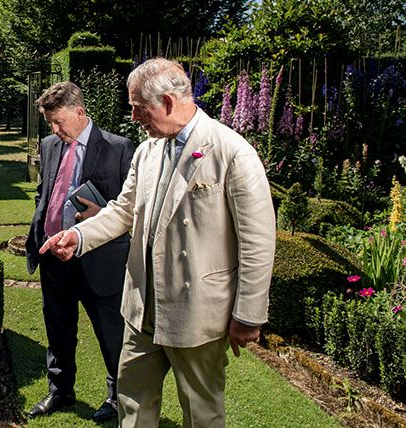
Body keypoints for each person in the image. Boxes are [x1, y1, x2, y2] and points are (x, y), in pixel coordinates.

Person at [39, 58, 276, 427]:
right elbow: (123, 210)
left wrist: (248, 314)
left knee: (201, 414)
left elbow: (258, 241)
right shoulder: (148, 150)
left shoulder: (231, 151)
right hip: (141, 309)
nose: (133, 117)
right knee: (131, 406)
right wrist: (80, 235)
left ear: (166, 101)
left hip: (198, 313)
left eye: (137, 108)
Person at [25, 81, 135, 421]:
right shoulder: (49, 144)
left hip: (98, 259)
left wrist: (100, 216)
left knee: (110, 332)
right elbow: (47, 191)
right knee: (58, 329)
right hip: (52, 256)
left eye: (59, 122)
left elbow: (132, 207)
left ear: (80, 112)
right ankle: (60, 392)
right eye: (51, 124)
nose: (55, 131)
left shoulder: (119, 147)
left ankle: (118, 399)